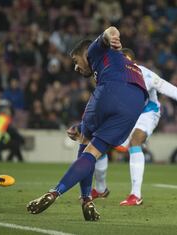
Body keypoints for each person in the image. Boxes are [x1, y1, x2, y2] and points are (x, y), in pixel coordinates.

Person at [26, 26, 149, 221]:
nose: (76, 67)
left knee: (86, 149)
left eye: (76, 61)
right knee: (94, 151)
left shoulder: (94, 51)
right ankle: (87, 202)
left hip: (111, 90)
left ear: (85, 53)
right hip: (134, 107)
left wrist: (113, 36)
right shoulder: (127, 63)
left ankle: (61, 194)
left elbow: (110, 31)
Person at [89, 48, 177, 206]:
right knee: (98, 141)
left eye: (127, 60)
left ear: (134, 62)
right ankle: (101, 188)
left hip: (147, 113)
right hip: (126, 116)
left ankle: (135, 195)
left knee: (135, 141)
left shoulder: (146, 75)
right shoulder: (111, 76)